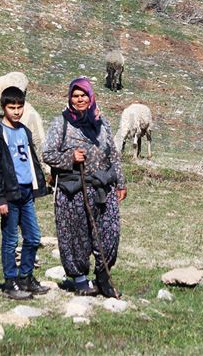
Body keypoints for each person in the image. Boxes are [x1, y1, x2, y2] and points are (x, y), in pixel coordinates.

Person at [42, 77, 126, 297]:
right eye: (75, 96)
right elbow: (48, 154)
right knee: (75, 236)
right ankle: (79, 280)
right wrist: (70, 157)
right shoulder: (61, 123)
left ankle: (102, 277)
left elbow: (113, 154)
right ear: (70, 98)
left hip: (102, 188)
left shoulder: (102, 122)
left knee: (109, 233)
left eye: (83, 96)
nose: (79, 100)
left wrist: (120, 182)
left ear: (91, 97)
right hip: (73, 190)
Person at [0, 86, 51, 299]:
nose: (16, 111)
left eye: (19, 107)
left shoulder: (24, 131)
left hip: (26, 192)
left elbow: (30, 161)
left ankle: (26, 277)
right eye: (11, 107)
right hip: (9, 195)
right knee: (11, 240)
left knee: (33, 237)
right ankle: (10, 281)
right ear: (3, 108)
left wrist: (38, 184)